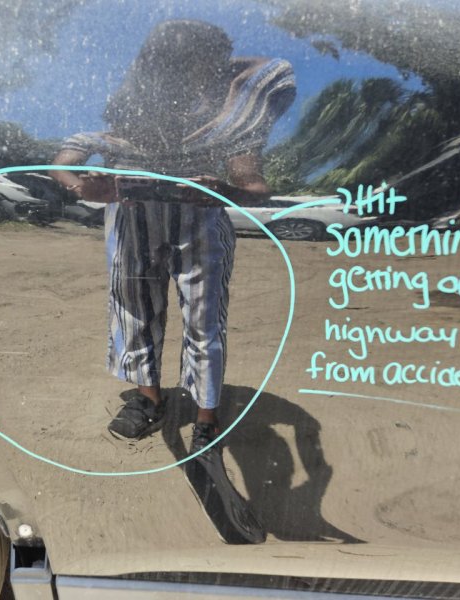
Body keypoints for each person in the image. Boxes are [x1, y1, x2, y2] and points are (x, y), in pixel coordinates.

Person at [50, 21, 295, 532]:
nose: (195, 76)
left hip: (199, 222)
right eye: (182, 63)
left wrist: (224, 189)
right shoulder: (127, 117)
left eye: (207, 65)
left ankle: (206, 420)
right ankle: (149, 398)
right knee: (133, 309)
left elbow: (254, 185)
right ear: (156, 66)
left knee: (205, 318)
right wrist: (82, 187)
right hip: (132, 220)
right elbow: (64, 163)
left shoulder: (228, 123)